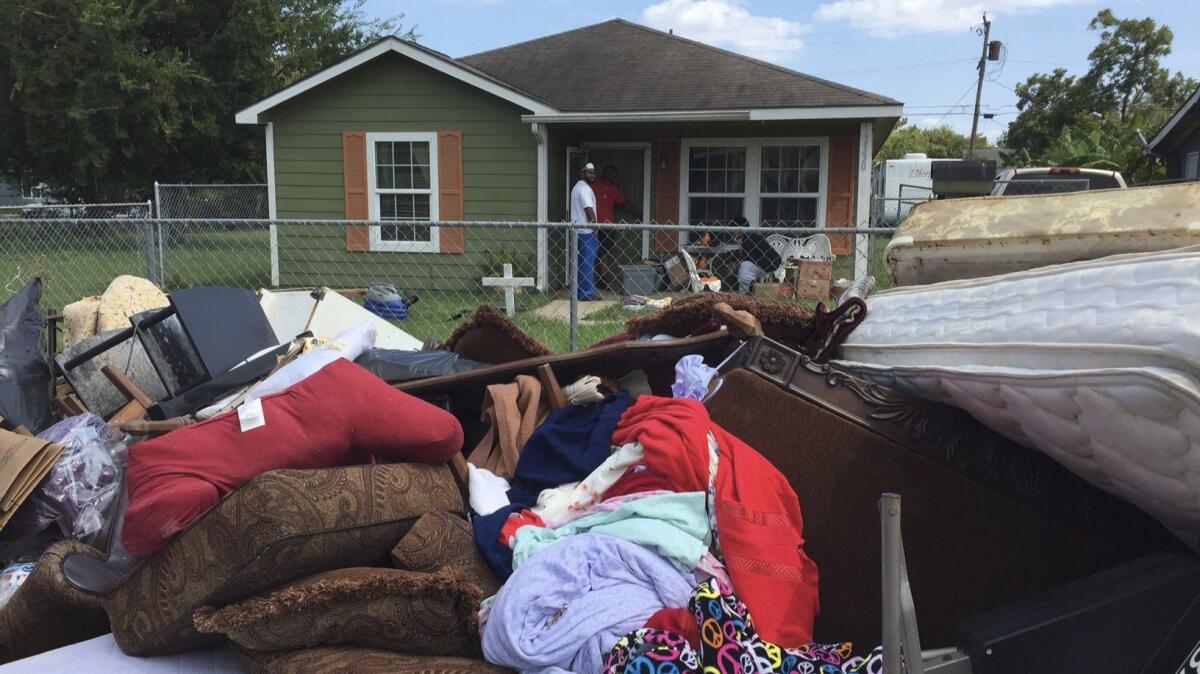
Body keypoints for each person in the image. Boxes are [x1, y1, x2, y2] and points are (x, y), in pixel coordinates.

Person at [590, 165, 640, 291]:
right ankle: (598, 279)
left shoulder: (613, 189)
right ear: (604, 173)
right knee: (595, 252)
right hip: (594, 225)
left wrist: (637, 213)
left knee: (603, 252)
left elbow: (624, 202)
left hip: (609, 226)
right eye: (610, 174)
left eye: (614, 175)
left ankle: (602, 279)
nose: (612, 177)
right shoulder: (594, 185)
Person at [570, 163, 599, 300]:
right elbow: (588, 209)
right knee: (587, 263)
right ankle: (586, 294)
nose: (592, 175)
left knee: (582, 263)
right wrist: (595, 227)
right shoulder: (584, 189)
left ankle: (580, 292)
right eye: (589, 172)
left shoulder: (576, 188)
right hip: (586, 231)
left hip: (578, 231)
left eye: (593, 173)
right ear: (582, 173)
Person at [733, 218, 782, 293]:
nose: (733, 233)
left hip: (770, 262)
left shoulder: (748, 239)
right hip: (770, 261)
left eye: (734, 230)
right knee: (744, 265)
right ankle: (747, 289)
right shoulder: (751, 236)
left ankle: (742, 291)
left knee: (744, 266)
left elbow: (747, 258)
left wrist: (737, 263)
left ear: (740, 229)